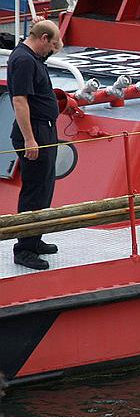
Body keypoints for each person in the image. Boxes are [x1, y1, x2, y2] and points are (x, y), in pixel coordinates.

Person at [7, 19, 63, 270]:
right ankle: (24, 249)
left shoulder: (33, 57)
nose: (50, 52)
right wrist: (30, 139)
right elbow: (20, 101)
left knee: (44, 187)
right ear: (42, 39)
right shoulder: (24, 61)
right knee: (33, 190)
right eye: (50, 46)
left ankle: (35, 236)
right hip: (35, 132)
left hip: (45, 130)